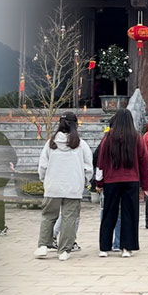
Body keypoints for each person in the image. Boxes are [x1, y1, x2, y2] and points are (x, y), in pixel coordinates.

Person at [34, 112, 93, 261]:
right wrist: (84, 182)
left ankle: (43, 246)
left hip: (53, 186)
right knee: (69, 218)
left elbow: (42, 166)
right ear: (75, 124)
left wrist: (44, 180)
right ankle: (64, 250)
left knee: (48, 216)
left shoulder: (50, 143)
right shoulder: (81, 144)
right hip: (73, 186)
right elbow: (88, 168)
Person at [96, 108, 148, 258]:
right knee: (129, 214)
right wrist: (146, 185)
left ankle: (104, 247)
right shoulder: (137, 137)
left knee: (109, 213)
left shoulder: (107, 138)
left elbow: (101, 162)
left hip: (111, 181)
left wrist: (99, 182)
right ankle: (126, 247)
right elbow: (145, 162)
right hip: (131, 180)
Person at [92, 124, 123, 252]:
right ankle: (118, 243)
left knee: (106, 213)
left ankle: (106, 242)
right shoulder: (125, 142)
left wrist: (99, 182)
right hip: (120, 182)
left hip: (107, 182)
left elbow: (96, 162)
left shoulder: (104, 143)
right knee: (119, 213)